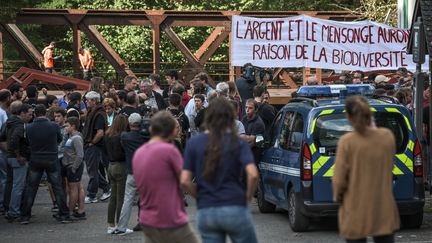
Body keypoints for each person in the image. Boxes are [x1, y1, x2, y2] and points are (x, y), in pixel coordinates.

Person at [180, 97, 259, 243]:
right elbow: (253, 175)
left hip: (207, 209)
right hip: (235, 205)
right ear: (231, 116)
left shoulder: (194, 143)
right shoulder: (238, 143)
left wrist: (199, 196)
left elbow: (184, 180)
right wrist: (247, 197)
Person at [332, 95, 399, 243]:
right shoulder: (387, 137)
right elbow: (389, 165)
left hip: (355, 206)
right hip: (382, 205)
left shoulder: (347, 142)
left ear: (349, 117)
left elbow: (339, 179)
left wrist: (338, 197)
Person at [133, 111, 199, 243]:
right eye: (176, 127)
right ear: (170, 130)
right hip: (169, 216)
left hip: (147, 217)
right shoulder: (169, 150)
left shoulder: (139, 152)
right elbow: (184, 180)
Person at [20, 104, 71, 224]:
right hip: (52, 158)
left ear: (35, 114)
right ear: (45, 113)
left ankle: (25, 215)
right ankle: (64, 214)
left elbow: (26, 142)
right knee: (57, 187)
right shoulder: (54, 126)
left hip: (35, 158)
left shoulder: (29, 127)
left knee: (31, 187)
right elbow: (59, 140)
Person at [115, 113, 148, 235]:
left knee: (127, 200)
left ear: (129, 124)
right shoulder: (145, 137)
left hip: (132, 172)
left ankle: (121, 226)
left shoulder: (125, 137)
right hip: (145, 173)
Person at [2, 102, 32, 222]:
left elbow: (3, 137)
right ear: (22, 113)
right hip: (16, 158)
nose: (30, 117)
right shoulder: (20, 125)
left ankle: (8, 207)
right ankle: (14, 211)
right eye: (28, 114)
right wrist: (18, 155)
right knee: (18, 186)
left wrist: (8, 150)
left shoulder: (8, 122)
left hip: (8, 157)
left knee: (10, 184)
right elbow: (15, 139)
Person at [82, 91, 111, 203]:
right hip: (91, 144)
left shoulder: (98, 114)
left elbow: (100, 133)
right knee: (93, 170)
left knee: (92, 171)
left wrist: (92, 143)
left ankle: (92, 195)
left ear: (94, 101)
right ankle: (107, 188)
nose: (86, 102)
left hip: (93, 145)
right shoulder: (93, 111)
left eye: (88, 100)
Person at [105, 114, 128, 234]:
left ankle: (110, 224)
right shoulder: (122, 137)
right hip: (121, 166)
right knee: (121, 197)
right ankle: (120, 224)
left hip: (110, 165)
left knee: (113, 197)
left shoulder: (108, 135)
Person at [62, 116, 86, 220]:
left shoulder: (76, 138)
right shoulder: (70, 136)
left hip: (73, 166)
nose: (65, 127)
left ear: (73, 126)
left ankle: (70, 211)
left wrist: (74, 167)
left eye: (67, 126)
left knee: (73, 189)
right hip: (70, 165)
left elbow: (80, 155)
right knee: (75, 188)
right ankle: (79, 210)